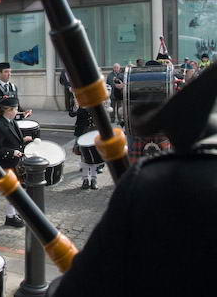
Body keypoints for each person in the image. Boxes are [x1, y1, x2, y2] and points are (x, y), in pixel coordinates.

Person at [48, 63, 217, 297]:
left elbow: (81, 285)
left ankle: (90, 176)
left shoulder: (152, 182)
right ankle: (89, 177)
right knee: (87, 164)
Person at [0, 97, 33, 228]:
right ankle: (10, 216)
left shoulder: (11, 121)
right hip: (5, 163)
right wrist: (12, 152)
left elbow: (12, 139)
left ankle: (14, 213)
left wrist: (23, 140)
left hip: (14, 162)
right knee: (12, 191)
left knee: (17, 190)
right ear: (8, 110)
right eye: (15, 109)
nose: (17, 111)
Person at [69, 97, 100, 190]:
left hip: (93, 132)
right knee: (84, 157)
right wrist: (76, 106)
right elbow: (71, 114)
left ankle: (94, 180)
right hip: (82, 132)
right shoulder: (77, 99)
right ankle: (85, 180)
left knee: (93, 157)